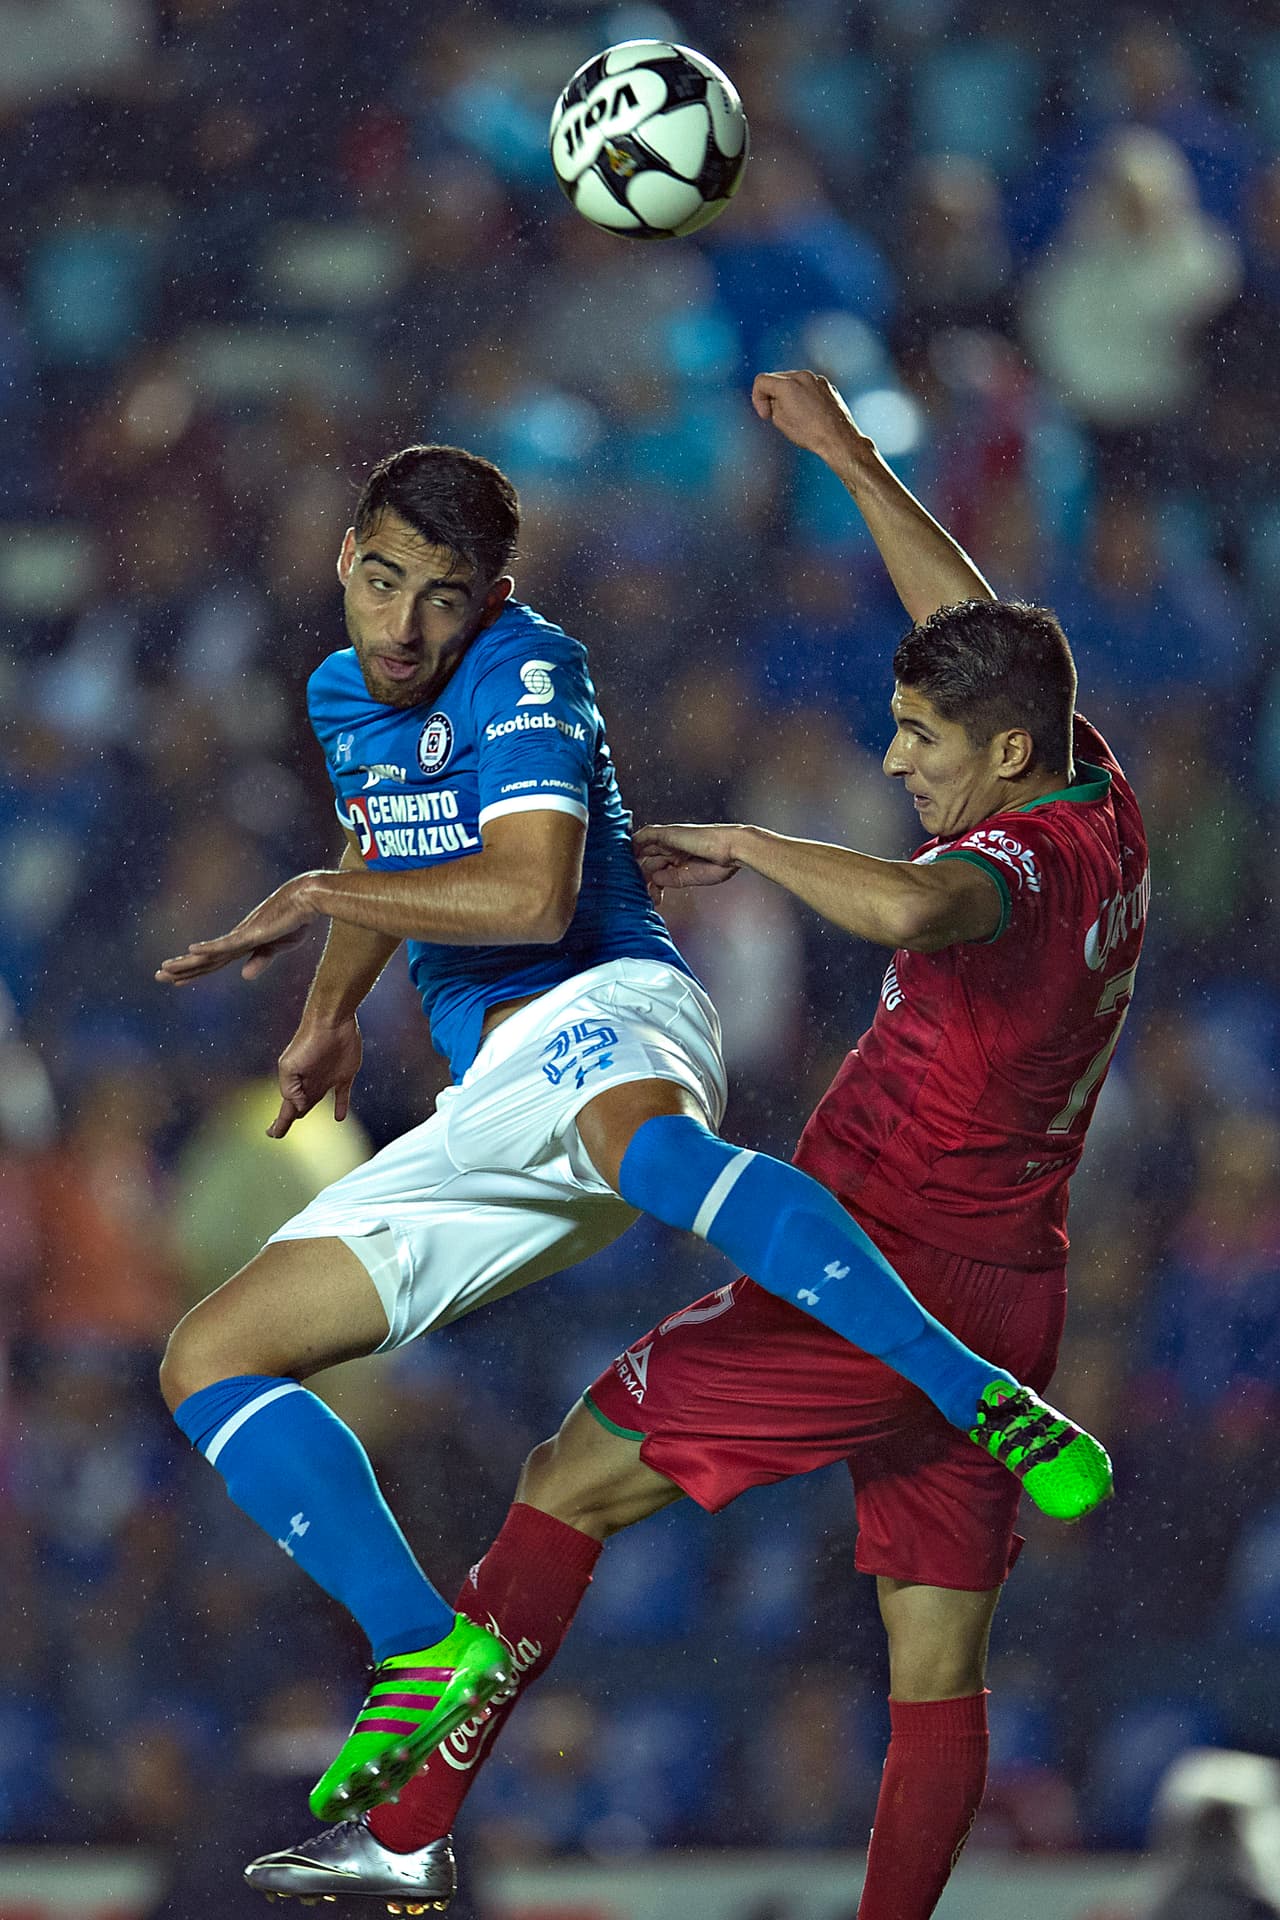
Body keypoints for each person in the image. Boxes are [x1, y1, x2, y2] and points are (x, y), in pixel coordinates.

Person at [241, 372, 1148, 1919]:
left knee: (565, 1480)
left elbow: (931, 900)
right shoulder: (1093, 792)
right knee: (936, 1666)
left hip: (883, 1269)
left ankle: (412, 1826)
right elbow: (976, 629)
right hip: (1015, 1277)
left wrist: (742, 844)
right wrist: (854, 460)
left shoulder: (1007, 864)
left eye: (920, 743)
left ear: (1000, 765)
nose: (896, 765)